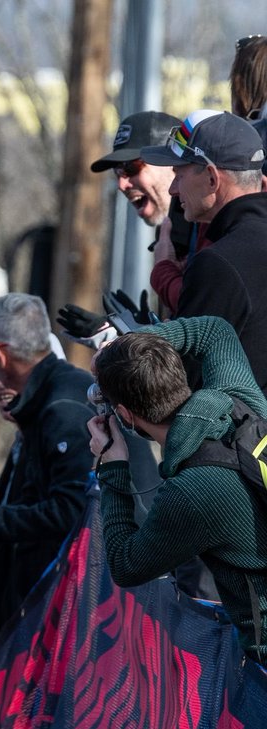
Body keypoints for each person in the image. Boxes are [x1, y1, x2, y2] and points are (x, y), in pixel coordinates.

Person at [89, 315, 267, 664]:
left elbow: (126, 566)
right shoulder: (239, 401)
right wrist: (135, 343)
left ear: (124, 415)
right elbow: (216, 330)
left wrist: (112, 466)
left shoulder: (194, 492)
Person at [0, 293, 97, 640]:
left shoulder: (62, 409)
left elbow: (76, 510)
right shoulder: (53, 400)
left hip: (75, 619)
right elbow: (33, 507)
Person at [141, 110, 267, 391]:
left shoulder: (219, 262)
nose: (173, 189)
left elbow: (179, 390)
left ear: (212, 178)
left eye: (179, 174)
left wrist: (117, 357)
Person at [87, 110, 195, 317]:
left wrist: (164, 273)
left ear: (171, 162)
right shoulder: (174, 234)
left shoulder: (210, 227)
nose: (121, 184)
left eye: (131, 167)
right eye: (117, 172)